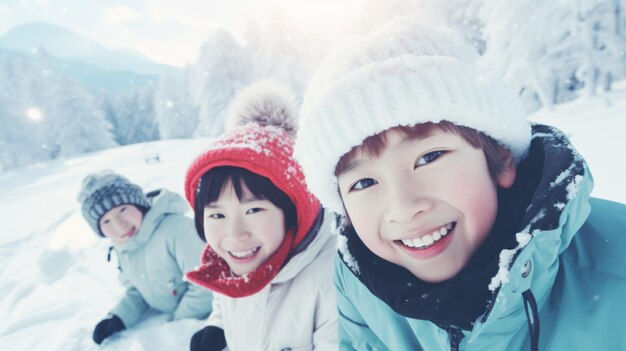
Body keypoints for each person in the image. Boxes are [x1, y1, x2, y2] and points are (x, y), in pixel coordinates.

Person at [293, 16, 626, 351]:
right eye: (364, 182)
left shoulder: (615, 267)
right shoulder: (359, 287)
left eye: (429, 157)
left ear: (500, 158)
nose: (404, 209)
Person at [184, 81, 337, 351]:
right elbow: (228, 297)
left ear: (293, 211)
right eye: (217, 215)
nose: (235, 235)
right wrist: (217, 326)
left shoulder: (330, 282)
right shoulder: (236, 259)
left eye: (253, 210)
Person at [78, 171, 213, 345]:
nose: (119, 225)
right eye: (106, 221)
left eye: (123, 210)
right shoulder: (123, 245)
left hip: (209, 321)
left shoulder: (176, 230)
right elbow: (138, 291)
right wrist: (119, 317)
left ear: (139, 204)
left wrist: (177, 321)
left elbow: (206, 286)